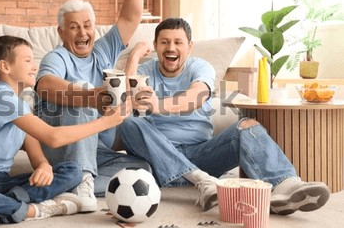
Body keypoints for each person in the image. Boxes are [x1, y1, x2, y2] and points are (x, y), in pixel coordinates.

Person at [119, 17, 330, 215]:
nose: (171, 48)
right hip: (158, 159)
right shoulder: (146, 70)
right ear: (156, 46)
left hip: (202, 156)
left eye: (178, 42)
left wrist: (158, 106)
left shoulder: (200, 67)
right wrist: (135, 56)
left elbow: (197, 96)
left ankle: (286, 186)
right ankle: (201, 181)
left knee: (247, 125)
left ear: (189, 47)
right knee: (129, 122)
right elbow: (127, 100)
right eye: (164, 42)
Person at [0, 35, 131, 228]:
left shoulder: (21, 105)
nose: (34, 66)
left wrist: (44, 166)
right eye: (28, 60)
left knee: (73, 171)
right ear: (5, 67)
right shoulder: (0, 97)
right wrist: (106, 122)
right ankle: (33, 210)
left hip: (0, 183)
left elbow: (34, 149)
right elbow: (52, 137)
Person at [34, 0, 151, 213]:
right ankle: (81, 180)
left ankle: (69, 180)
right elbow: (46, 85)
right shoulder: (58, 56)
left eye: (87, 25)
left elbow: (130, 18)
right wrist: (91, 96)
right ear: (61, 32)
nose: (82, 32)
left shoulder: (101, 51)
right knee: (80, 97)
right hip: (60, 147)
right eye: (74, 27)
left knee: (142, 170)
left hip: (96, 149)